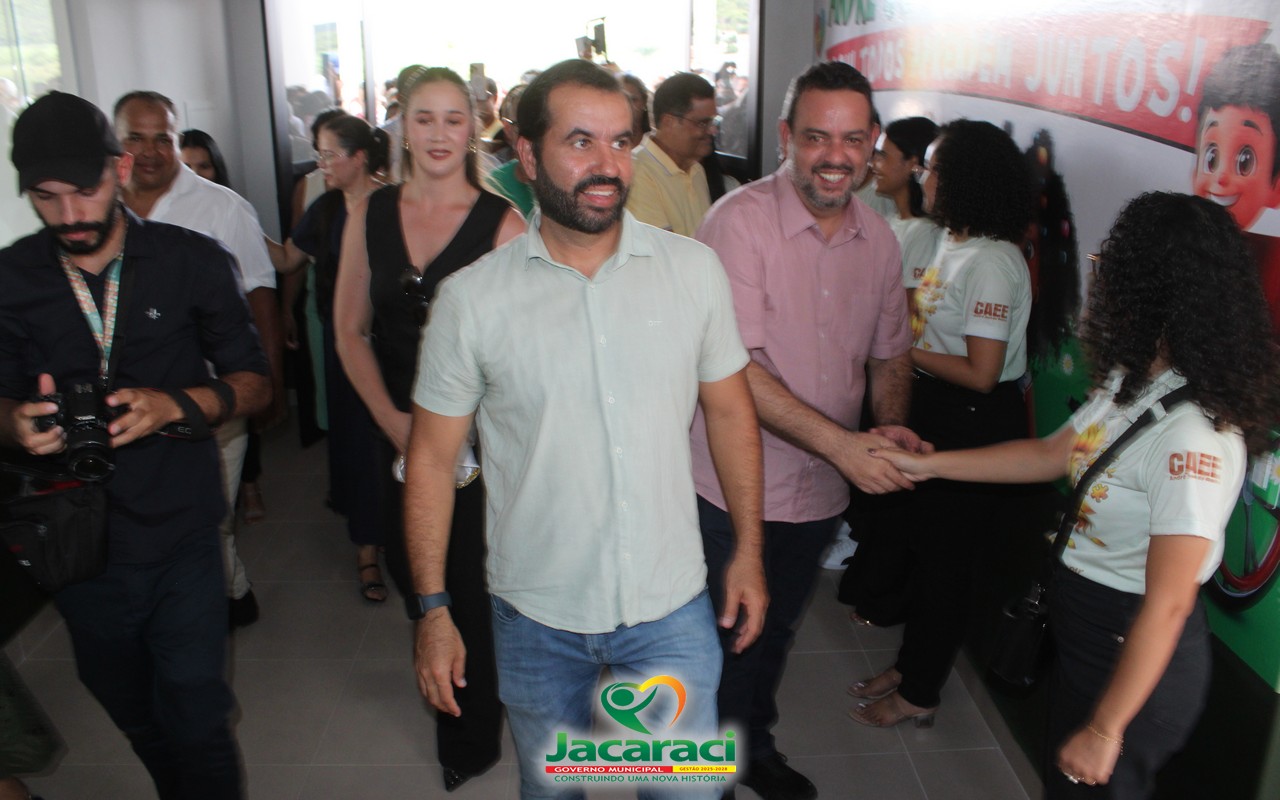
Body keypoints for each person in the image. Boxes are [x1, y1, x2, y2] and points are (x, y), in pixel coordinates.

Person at [407, 58, 767, 800]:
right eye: (580, 142)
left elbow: (732, 412)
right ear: (527, 153)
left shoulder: (693, 272)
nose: (607, 165)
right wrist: (434, 610)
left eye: (621, 141)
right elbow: (434, 461)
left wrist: (749, 550)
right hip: (536, 611)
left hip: (669, 603)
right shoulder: (472, 301)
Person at [873, 191, 1280, 798]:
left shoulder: (1195, 437)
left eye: (1110, 266)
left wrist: (1106, 729)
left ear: (1151, 288)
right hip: (1087, 626)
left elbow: (1168, 604)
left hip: (1129, 647)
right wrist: (925, 465)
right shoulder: (1137, 380)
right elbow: (1052, 453)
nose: (1098, 276)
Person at [0, 91, 269, 800]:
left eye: (83, 191)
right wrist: (14, 422)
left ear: (118, 170)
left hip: (180, 530)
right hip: (75, 543)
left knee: (198, 713)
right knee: (133, 708)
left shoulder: (191, 260)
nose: (69, 214)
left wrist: (175, 405)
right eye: (46, 198)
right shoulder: (12, 279)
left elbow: (254, 383)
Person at [687, 60, 919, 800]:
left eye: (852, 139)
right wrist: (845, 446)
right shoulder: (738, 224)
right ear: (787, 136)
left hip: (818, 493)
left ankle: (750, 748)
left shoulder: (880, 241)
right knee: (721, 639)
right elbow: (734, 371)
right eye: (817, 137)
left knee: (777, 630)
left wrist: (889, 430)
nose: (834, 156)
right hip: (730, 488)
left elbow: (891, 353)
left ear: (873, 141)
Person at [333, 65, 524, 792]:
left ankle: (470, 739)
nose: (439, 133)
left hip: (479, 448)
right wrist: (392, 422)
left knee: (467, 587)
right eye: (424, 118)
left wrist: (458, 439)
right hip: (395, 432)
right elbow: (349, 330)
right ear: (402, 128)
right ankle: (454, 694)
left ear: (473, 126)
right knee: (418, 576)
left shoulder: (503, 225)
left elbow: (520, 360)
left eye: (453, 118)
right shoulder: (370, 213)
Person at [846, 118, 1034, 730]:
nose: (922, 175)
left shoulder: (994, 261)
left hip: (974, 419)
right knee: (924, 554)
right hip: (939, 409)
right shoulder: (949, 242)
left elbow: (982, 373)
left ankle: (920, 692)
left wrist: (897, 348)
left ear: (965, 179)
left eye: (933, 167)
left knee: (946, 565)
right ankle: (911, 666)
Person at [114, 91, 283, 629]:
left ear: (176, 139)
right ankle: (232, 593)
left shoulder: (221, 208)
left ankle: (199, 622)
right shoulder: (99, 207)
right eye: (134, 138)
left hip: (212, 405)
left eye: (161, 138)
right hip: (125, 410)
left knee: (206, 522)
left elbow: (260, 296)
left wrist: (268, 384)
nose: (148, 151)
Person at [278, 115, 390, 601]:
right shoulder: (324, 209)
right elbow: (287, 259)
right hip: (342, 343)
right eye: (318, 154)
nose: (320, 164)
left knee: (393, 439)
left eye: (328, 155)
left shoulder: (393, 204)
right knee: (353, 441)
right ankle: (367, 548)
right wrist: (232, 224)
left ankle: (408, 537)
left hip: (390, 343)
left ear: (358, 157)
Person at [179, 128, 269, 525]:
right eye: (187, 166)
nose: (196, 174)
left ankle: (249, 486)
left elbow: (259, 288)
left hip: (224, 361)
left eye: (204, 166)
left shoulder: (227, 208)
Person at [1191, 42, 1280, 330]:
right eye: (1211, 157)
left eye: (1244, 161)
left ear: (1276, 186)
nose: (1220, 178)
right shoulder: (1180, 242)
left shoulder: (1272, 268)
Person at [626, 72, 717, 237]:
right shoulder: (636, 171)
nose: (712, 130)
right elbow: (662, 248)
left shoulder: (695, 169)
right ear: (669, 123)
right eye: (703, 123)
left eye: (714, 121)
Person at [870, 116, 942, 304]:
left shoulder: (923, 232)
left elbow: (911, 308)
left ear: (912, 164)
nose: (873, 164)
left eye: (883, 156)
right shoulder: (890, 221)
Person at [482, 84, 536, 218]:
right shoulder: (495, 186)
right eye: (523, 127)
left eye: (540, 125)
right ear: (508, 129)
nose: (533, 136)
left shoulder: (565, 179)